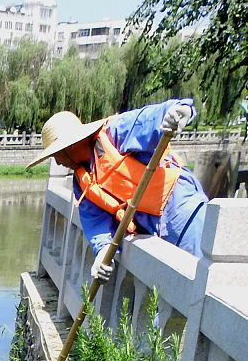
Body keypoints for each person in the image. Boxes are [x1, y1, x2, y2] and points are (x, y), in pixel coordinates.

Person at [27, 99, 209, 283]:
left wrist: (177, 111)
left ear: (69, 146)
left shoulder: (115, 132)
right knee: (168, 290)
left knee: (196, 282)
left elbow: (150, 118)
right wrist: (103, 253)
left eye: (56, 154)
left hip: (182, 213)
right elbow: (96, 222)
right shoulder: (81, 181)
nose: (58, 162)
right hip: (152, 231)